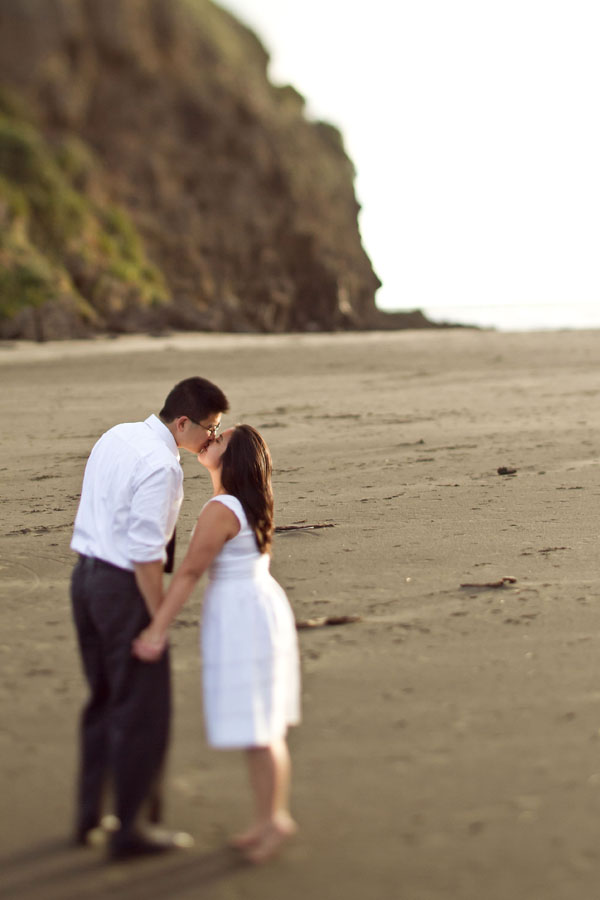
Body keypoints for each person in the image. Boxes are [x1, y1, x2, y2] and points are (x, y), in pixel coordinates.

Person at [70, 376, 229, 861]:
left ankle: (89, 817)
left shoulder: (116, 434)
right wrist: (157, 618)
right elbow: (145, 555)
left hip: (85, 580)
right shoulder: (163, 467)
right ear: (182, 422)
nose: (212, 439)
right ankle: (132, 828)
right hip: (122, 589)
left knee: (102, 699)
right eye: (209, 428)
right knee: (143, 710)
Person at [133, 424, 301, 864]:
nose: (211, 438)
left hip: (244, 614)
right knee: (260, 726)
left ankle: (274, 821)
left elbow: (189, 573)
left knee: (262, 730)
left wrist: (156, 629)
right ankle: (267, 818)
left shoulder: (222, 508)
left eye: (220, 439)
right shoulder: (246, 504)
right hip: (257, 606)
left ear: (235, 457)